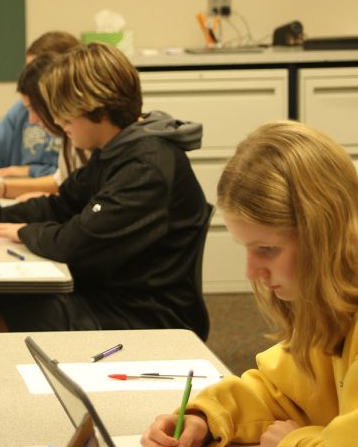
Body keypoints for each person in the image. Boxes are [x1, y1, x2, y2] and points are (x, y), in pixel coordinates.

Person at [0, 42, 211, 335]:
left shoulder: (147, 167)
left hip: (143, 314)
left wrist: (22, 231)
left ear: (94, 107)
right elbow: (60, 204)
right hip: (104, 293)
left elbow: (78, 242)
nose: (59, 122)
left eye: (65, 112)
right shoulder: (116, 150)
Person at [142, 121, 358, 447]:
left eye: (267, 250)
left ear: (324, 235)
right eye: (247, 249)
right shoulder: (333, 307)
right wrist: (204, 417)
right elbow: (281, 391)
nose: (252, 272)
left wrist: (296, 442)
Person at [0, 31, 80, 186]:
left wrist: (29, 172)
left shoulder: (78, 123)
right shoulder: (21, 110)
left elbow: (75, 176)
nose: (29, 82)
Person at [0, 52, 87, 200]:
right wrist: (2, 187)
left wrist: (29, 173)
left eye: (35, 108)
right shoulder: (69, 139)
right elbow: (60, 182)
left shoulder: (82, 138)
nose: (31, 120)